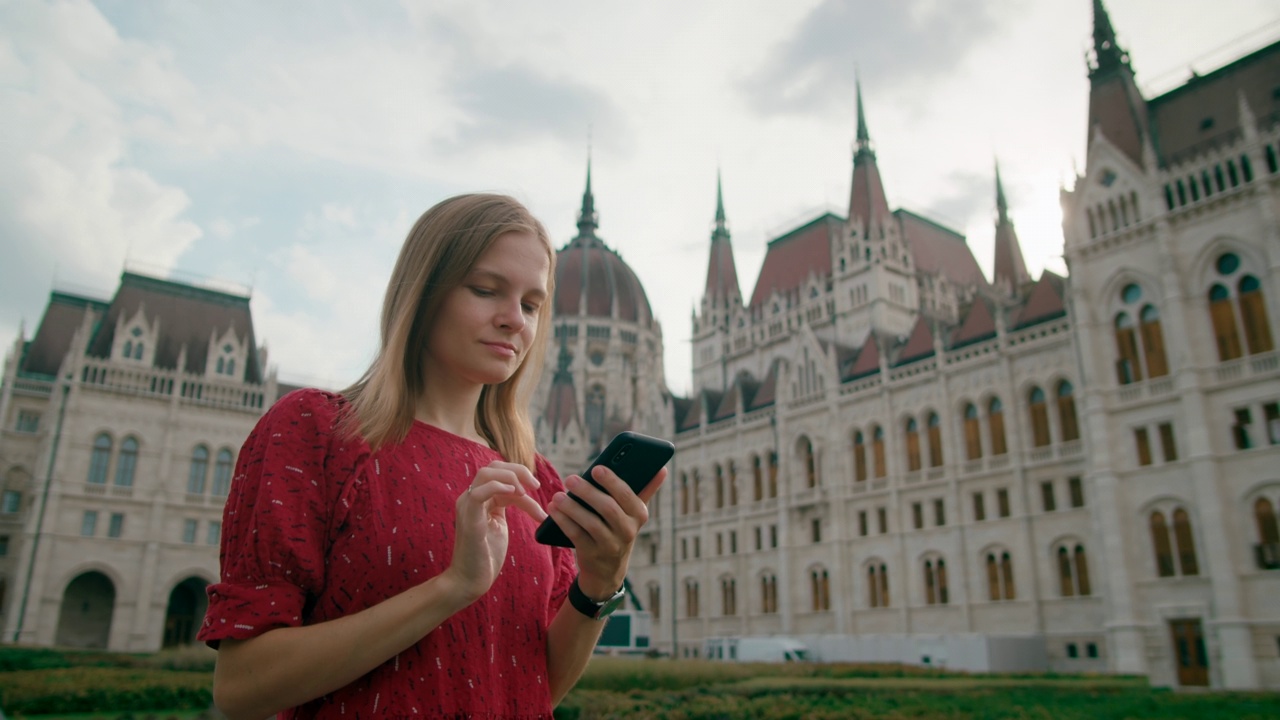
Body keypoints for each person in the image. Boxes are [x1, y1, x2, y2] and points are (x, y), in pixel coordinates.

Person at [197, 193, 667, 719]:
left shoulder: (539, 479)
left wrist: (598, 584)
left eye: (532, 305)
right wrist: (452, 588)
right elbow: (242, 687)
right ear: (423, 295)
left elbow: (532, 688)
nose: (515, 320)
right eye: (487, 290)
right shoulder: (317, 432)